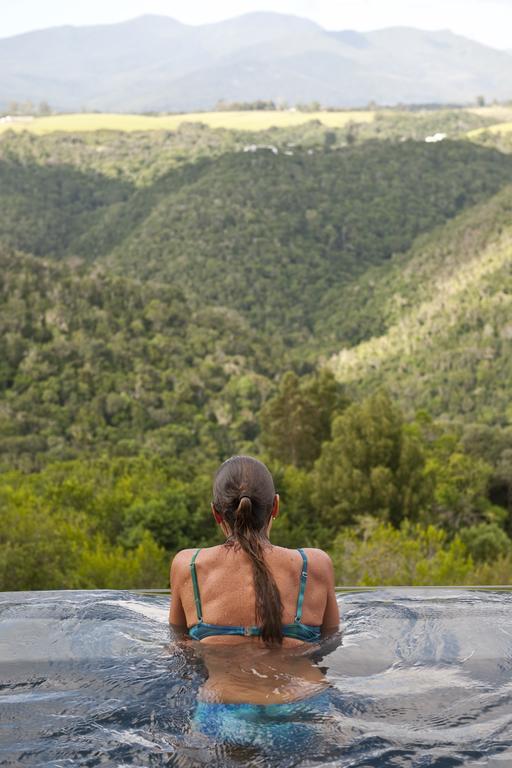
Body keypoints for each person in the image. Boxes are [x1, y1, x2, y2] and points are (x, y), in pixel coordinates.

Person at [169, 455, 341, 750]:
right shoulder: (314, 563)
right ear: (275, 506)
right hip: (305, 705)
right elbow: (331, 642)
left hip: (223, 710)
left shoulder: (189, 565)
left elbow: (180, 645)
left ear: (216, 513)